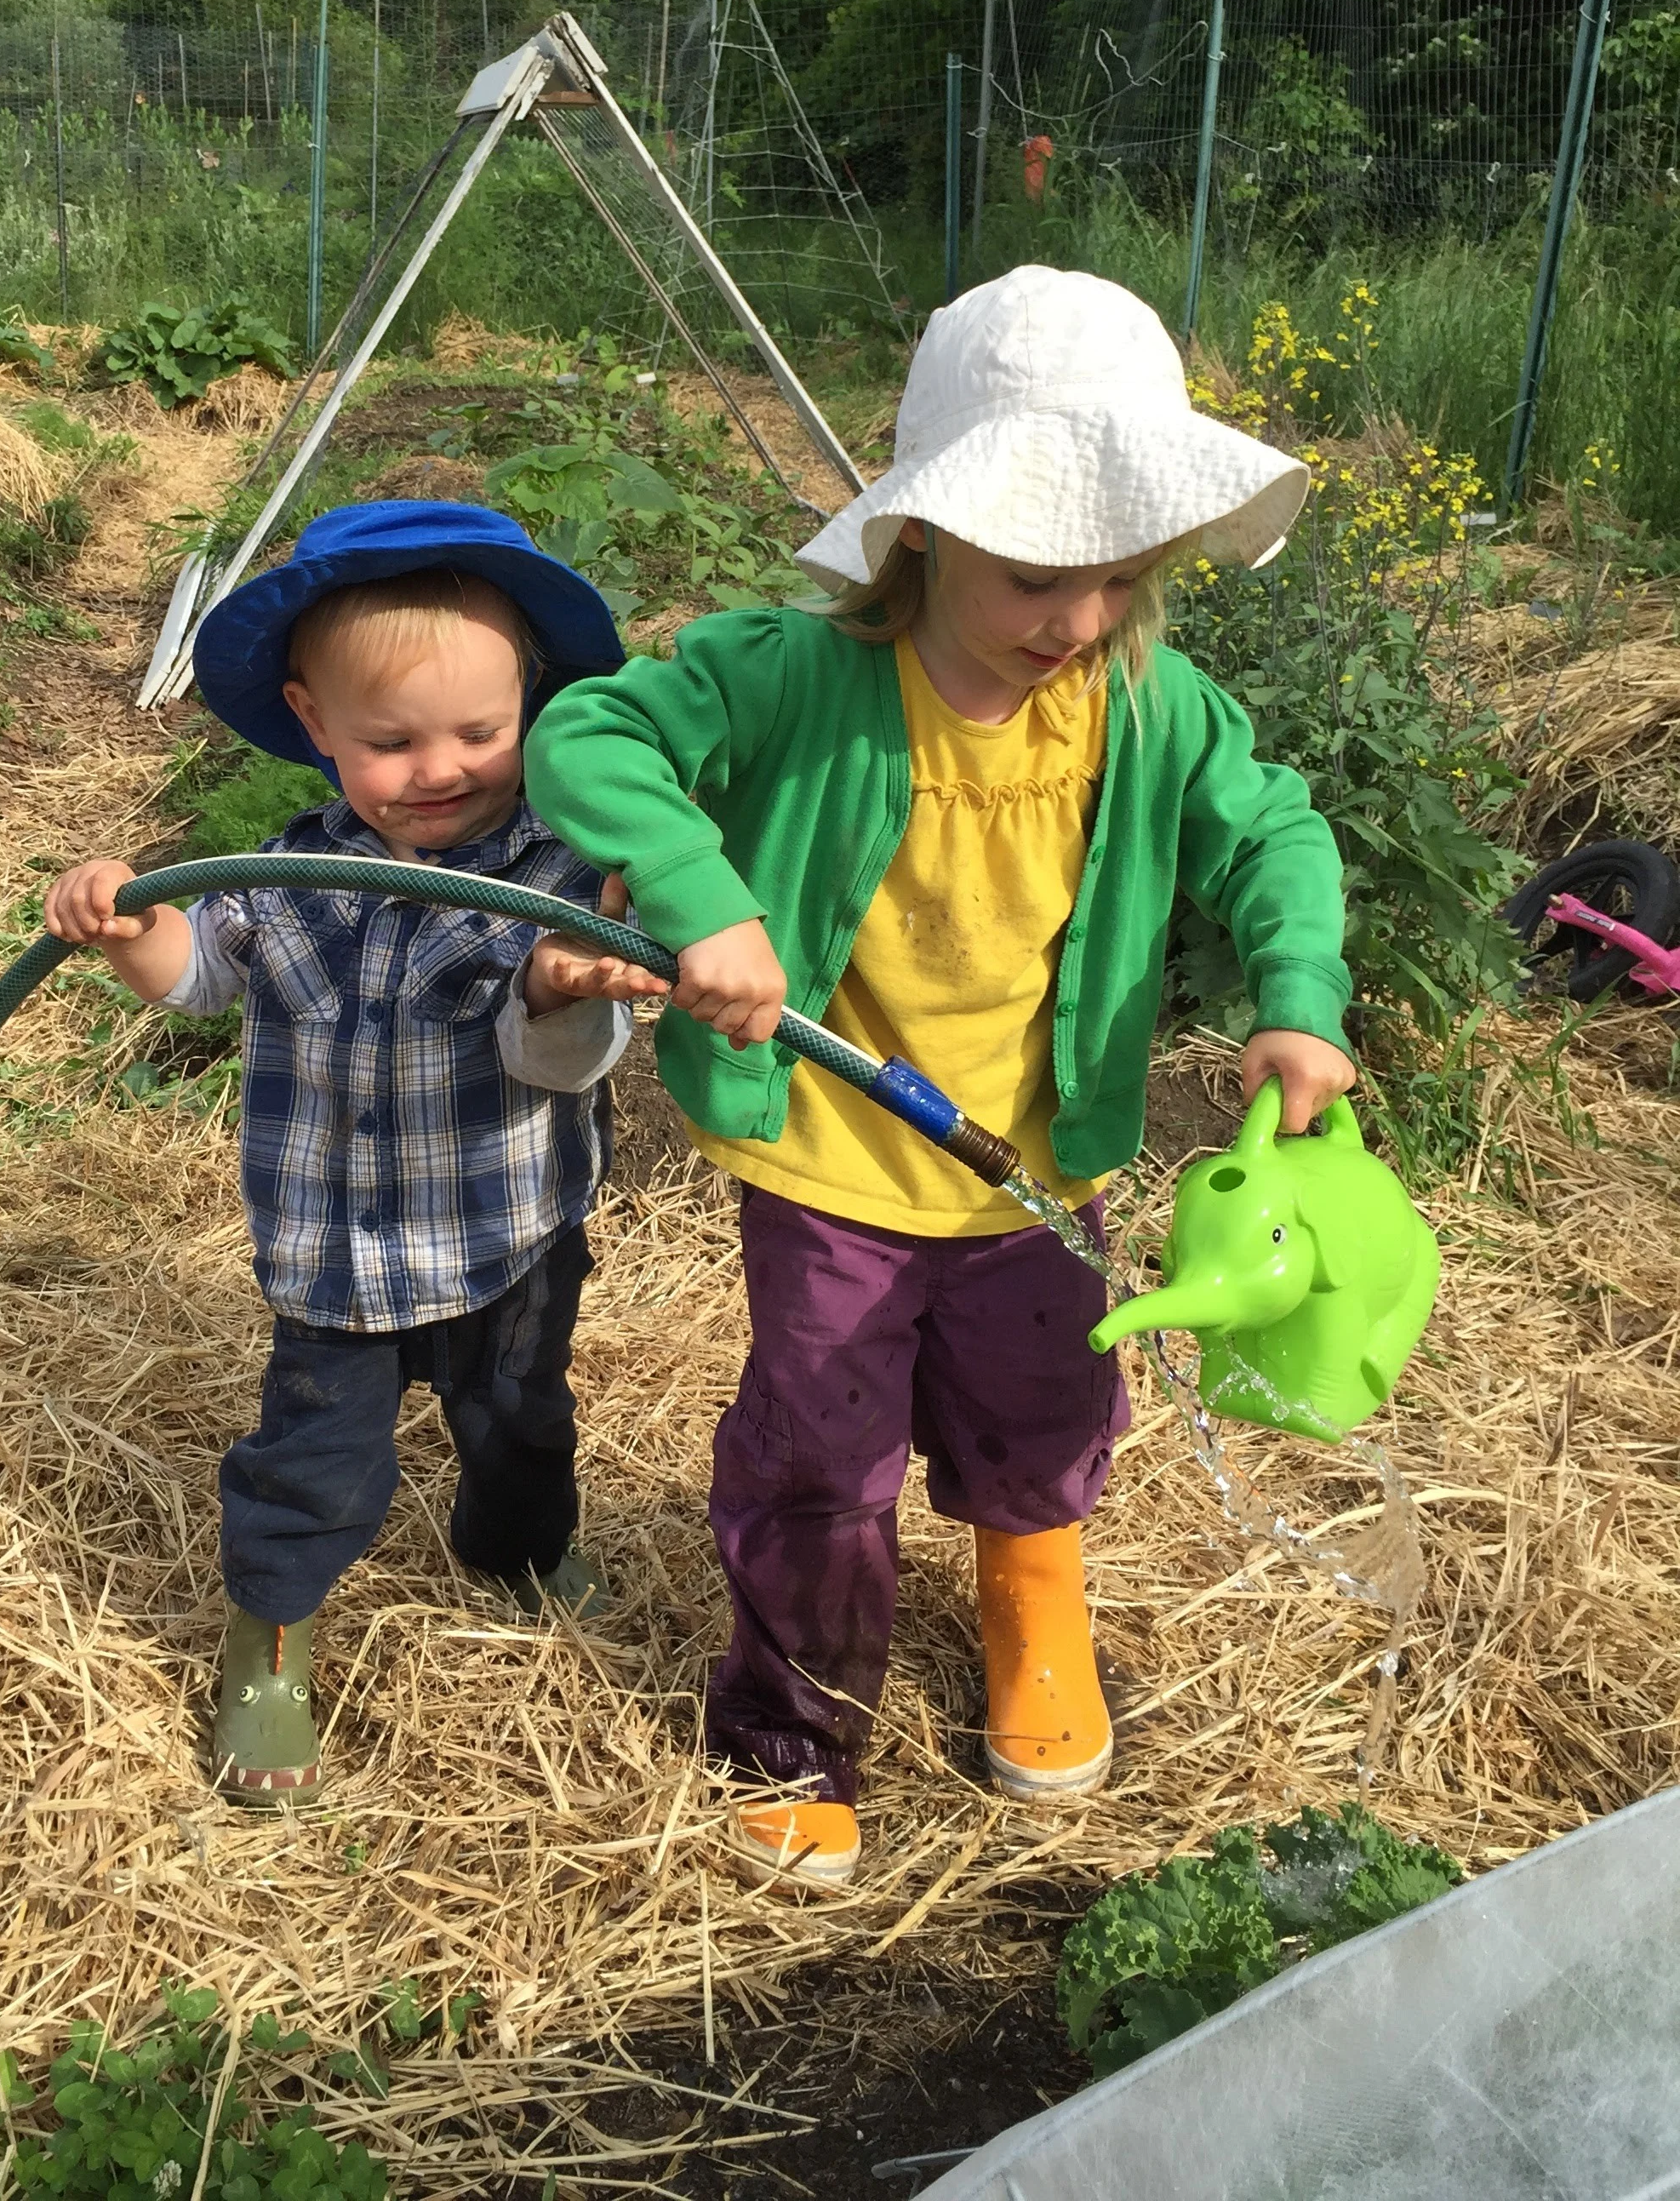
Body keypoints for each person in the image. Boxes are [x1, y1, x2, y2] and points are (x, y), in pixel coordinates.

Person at [524, 266, 1355, 1889]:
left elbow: (1275, 831)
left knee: (1046, 1411)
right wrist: (704, 898)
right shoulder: (795, 672)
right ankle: (796, 1719)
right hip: (837, 1161)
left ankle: (1034, 1607)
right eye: (1039, 575)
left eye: (1120, 578)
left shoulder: (1143, 705)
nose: (1079, 620)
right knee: (822, 1459)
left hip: (1036, 1168)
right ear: (923, 531)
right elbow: (591, 736)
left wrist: (1299, 996)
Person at [44, 500, 649, 1804]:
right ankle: (269, 1650)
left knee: (523, 1425)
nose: (440, 769)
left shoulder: (561, 881)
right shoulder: (284, 873)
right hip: (336, 1259)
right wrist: (127, 926)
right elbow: (198, 975)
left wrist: (557, 987)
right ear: (315, 723)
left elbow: (567, 1064)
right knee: (309, 1466)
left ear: (532, 704)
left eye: (480, 733)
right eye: (391, 742)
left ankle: (517, 1552)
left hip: (506, 1243)